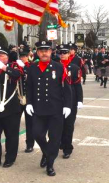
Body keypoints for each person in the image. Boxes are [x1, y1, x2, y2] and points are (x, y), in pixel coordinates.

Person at [26, 41, 72, 176]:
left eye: (46, 50)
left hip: (55, 109)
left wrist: (67, 105)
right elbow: (29, 87)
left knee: (54, 138)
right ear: (37, 52)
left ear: (51, 52)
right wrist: (28, 103)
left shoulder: (59, 67)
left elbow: (67, 88)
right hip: (39, 109)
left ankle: (50, 164)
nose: (44, 53)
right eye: (41, 50)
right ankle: (46, 153)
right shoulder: (32, 68)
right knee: (37, 134)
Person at [57, 44, 83, 159]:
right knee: (57, 124)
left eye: (65, 53)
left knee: (68, 125)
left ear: (69, 54)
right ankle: (60, 143)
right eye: (61, 53)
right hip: (57, 99)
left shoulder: (74, 68)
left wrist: (79, 100)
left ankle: (67, 147)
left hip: (71, 99)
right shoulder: (55, 66)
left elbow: (78, 86)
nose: (62, 55)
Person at [18, 46, 35, 153]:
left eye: (24, 56)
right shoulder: (16, 66)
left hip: (29, 99)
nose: (22, 58)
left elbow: (31, 76)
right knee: (14, 122)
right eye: (21, 56)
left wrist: (23, 67)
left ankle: (30, 144)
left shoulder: (32, 66)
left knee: (30, 123)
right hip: (18, 98)